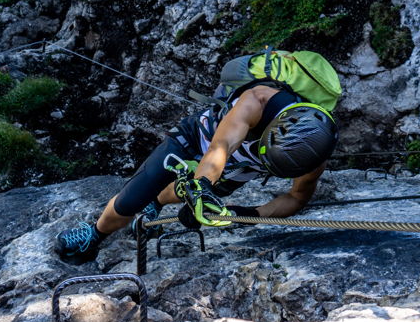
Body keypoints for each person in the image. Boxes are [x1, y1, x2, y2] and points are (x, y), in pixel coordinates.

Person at [54, 53, 340, 263]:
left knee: (176, 195)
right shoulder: (258, 99)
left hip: (240, 167)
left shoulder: (315, 153)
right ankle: (95, 234)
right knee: (131, 199)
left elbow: (296, 198)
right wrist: (202, 189)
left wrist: (244, 215)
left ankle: (158, 201)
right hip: (197, 137)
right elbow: (221, 146)